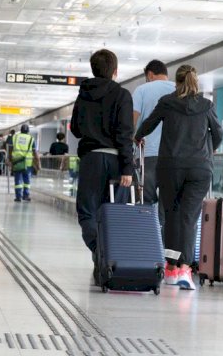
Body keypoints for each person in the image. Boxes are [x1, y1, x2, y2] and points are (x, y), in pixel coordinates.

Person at [135, 64, 223, 290]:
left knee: (172, 216)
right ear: (195, 82)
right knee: (188, 217)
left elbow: (147, 125)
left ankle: (172, 268)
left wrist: (137, 137)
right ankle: (183, 268)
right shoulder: (206, 105)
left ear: (177, 81)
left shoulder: (167, 102)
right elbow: (218, 133)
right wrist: (208, 151)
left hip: (171, 167)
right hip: (199, 169)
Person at [70, 49, 134, 283]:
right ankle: (107, 255)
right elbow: (125, 133)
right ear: (115, 71)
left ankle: (99, 251)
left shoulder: (83, 95)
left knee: (87, 212)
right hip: (117, 162)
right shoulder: (123, 95)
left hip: (91, 159)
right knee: (114, 213)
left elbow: (76, 128)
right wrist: (128, 168)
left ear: (93, 69)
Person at [132, 59, 175, 229]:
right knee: (167, 205)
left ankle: (146, 243)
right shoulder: (177, 89)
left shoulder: (142, 90)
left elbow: (132, 121)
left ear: (150, 75)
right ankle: (164, 248)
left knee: (145, 201)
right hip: (172, 157)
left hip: (146, 155)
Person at [10, 124, 39, 202]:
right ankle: (26, 195)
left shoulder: (15, 137)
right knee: (27, 180)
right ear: (28, 131)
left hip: (17, 161)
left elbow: (11, 149)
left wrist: (9, 159)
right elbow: (34, 152)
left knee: (17, 180)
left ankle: (18, 196)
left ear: (21, 130)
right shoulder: (31, 139)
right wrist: (37, 162)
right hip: (27, 162)